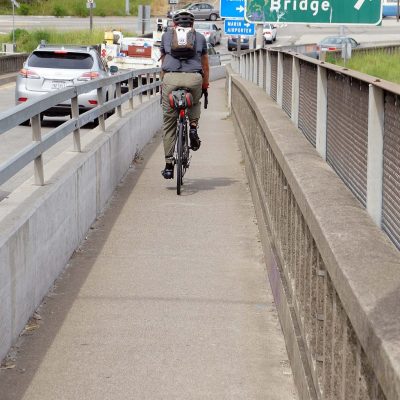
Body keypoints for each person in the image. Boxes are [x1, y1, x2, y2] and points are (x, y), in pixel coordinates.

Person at [159, 10, 210, 179]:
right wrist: (204, 86)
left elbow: (163, 62)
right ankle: (193, 128)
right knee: (194, 102)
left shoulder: (166, 36)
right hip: (194, 78)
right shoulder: (200, 37)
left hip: (170, 78)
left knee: (169, 122)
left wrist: (163, 84)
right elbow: (205, 65)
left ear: (174, 24)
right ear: (192, 24)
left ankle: (168, 165)